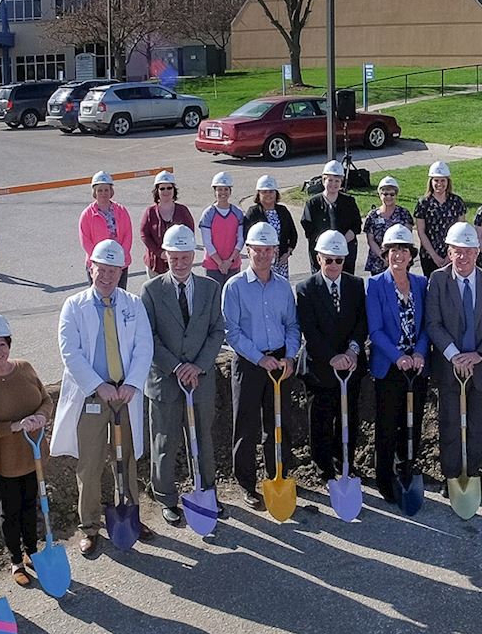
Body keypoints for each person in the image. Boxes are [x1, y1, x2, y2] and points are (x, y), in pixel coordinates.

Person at [52, 240, 155, 556]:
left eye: (114, 271)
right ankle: (90, 527)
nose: (107, 276)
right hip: (92, 397)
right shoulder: (74, 306)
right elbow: (70, 352)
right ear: (90, 268)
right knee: (90, 464)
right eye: (102, 269)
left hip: (125, 395)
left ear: (121, 271)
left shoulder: (133, 304)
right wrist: (99, 386)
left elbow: (143, 347)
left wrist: (133, 384)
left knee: (126, 460)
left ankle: (131, 516)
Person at [140, 225, 227, 525]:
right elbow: (149, 336)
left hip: (200, 379)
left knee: (202, 437)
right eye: (173, 257)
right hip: (165, 380)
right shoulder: (151, 291)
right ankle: (165, 496)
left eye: (185, 257)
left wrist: (198, 365)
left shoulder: (210, 289)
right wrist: (176, 367)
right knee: (165, 440)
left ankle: (205, 489)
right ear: (165, 255)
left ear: (194, 256)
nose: (179, 263)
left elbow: (217, 330)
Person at [0, 312, 54, 587]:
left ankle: (32, 551)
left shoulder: (25, 368)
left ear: (10, 344)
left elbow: (46, 400)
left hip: (32, 452)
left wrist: (41, 416)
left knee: (32, 504)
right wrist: (14, 426)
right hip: (2, 458)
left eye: (2, 344)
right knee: (11, 508)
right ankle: (16, 560)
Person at [222, 221, 301, 508]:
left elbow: (292, 325)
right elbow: (232, 332)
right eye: (259, 250)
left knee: (279, 423)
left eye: (269, 250)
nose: (264, 255)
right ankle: (246, 484)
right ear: (249, 251)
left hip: (280, 360)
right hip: (249, 362)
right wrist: (259, 358)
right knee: (246, 426)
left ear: (275, 251)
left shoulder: (282, 287)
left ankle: (277, 475)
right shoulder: (235, 287)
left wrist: (290, 356)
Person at [426, 222, 482, 492]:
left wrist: (478, 355)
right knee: (450, 422)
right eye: (456, 251)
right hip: (450, 365)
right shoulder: (438, 280)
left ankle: (472, 473)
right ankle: (452, 476)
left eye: (468, 251)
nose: (462, 257)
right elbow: (434, 323)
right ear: (449, 253)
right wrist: (454, 356)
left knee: (479, 424)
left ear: (477, 252)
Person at [296, 230, 368, 482]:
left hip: (350, 365)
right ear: (319, 259)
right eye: (329, 260)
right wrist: (332, 357)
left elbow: (361, 323)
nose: (334, 265)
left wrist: (352, 351)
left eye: (339, 260)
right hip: (320, 367)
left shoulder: (356, 285)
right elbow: (310, 330)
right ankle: (322, 466)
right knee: (321, 419)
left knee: (348, 417)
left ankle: (345, 460)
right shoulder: (306, 289)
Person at [366, 224, 429, 499]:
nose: (398, 255)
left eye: (403, 250)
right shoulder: (376, 285)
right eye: (393, 250)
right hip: (389, 368)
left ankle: (407, 469)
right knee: (388, 425)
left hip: (416, 368)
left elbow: (427, 325)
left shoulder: (421, 283)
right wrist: (398, 356)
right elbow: (375, 330)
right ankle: (385, 477)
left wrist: (419, 353)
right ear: (386, 254)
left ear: (411, 254)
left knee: (412, 422)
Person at [300, 159, 363, 274]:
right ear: (323, 180)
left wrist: (341, 243)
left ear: (341, 181)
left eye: (337, 181)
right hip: (321, 254)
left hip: (345, 254)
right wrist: (327, 245)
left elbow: (356, 225)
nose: (333, 184)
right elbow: (309, 227)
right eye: (330, 180)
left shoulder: (349, 202)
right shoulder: (313, 203)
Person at [78, 170, 134, 288]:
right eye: (100, 190)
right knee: (98, 299)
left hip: (119, 264)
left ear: (111, 191)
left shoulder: (121, 211)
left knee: (119, 298)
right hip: (98, 265)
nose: (103, 193)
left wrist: (121, 256)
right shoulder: (87, 214)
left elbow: (128, 235)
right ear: (95, 192)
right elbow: (86, 241)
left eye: (106, 190)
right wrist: (100, 260)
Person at [413, 160, 467, 277]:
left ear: (448, 182)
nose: (439, 184)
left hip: (453, 255)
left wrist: (450, 255)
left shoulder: (457, 202)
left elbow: (461, 230)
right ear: (431, 182)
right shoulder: (423, 203)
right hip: (429, 255)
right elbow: (421, 231)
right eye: (436, 180)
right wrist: (434, 256)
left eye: (443, 180)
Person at [140, 171, 196, 278]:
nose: (166, 191)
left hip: (179, 266)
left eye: (169, 188)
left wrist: (178, 254)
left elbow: (190, 234)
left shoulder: (183, 211)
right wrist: (159, 253)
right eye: (162, 188)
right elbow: (144, 235)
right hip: (155, 265)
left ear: (174, 190)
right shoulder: (150, 212)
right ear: (157, 191)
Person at [246, 174, 299, 282]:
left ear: (276, 193)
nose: (268, 195)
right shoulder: (253, 212)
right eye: (264, 192)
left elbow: (293, 234)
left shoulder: (283, 211)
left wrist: (287, 253)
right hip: (261, 261)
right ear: (258, 194)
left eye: (271, 191)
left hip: (281, 262)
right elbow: (246, 236)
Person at [199, 171, 245, 291]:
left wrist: (230, 261)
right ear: (214, 191)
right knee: (215, 299)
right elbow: (207, 242)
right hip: (213, 266)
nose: (223, 193)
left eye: (226, 189)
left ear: (230, 191)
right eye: (219, 189)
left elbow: (240, 239)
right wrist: (220, 263)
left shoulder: (238, 213)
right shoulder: (208, 214)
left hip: (233, 265)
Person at [362, 175, 414, 277]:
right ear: (380, 195)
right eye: (385, 194)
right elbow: (370, 240)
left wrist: (394, 257)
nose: (388, 197)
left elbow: (407, 239)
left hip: (399, 260)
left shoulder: (404, 214)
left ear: (396, 195)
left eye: (392, 194)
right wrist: (383, 256)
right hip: (378, 261)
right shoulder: (372, 215)